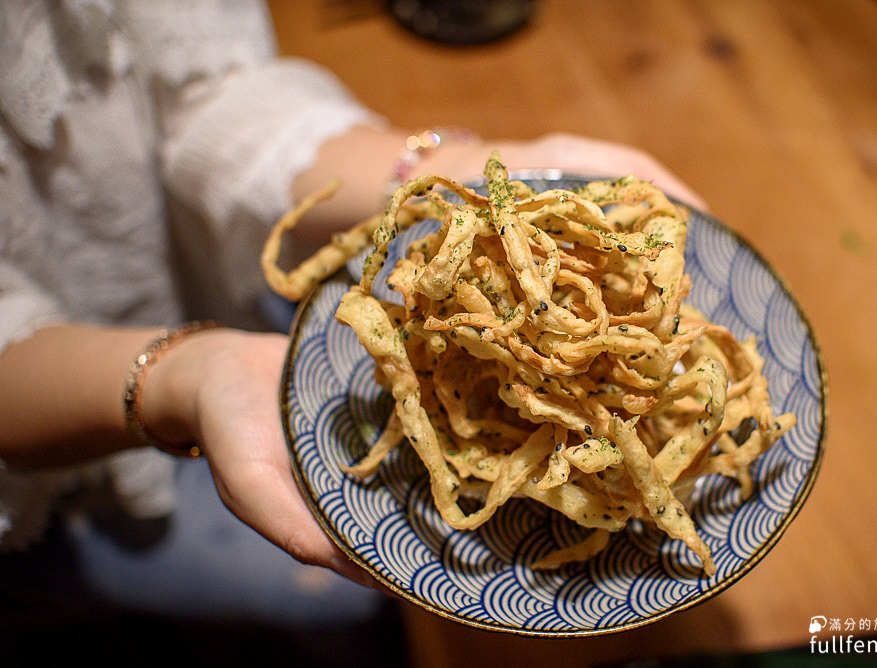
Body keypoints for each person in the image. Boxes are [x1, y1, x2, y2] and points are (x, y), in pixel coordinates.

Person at [0, 0, 701, 629]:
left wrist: (456, 162)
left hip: (224, 301)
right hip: (60, 471)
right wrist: (184, 375)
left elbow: (208, 98)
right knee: (356, 604)